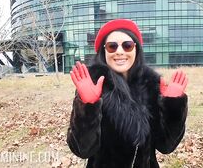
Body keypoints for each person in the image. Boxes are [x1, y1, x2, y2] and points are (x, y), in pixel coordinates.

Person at [67, 19, 188, 168]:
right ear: (103, 52)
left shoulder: (151, 86)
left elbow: (166, 146)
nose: (120, 51)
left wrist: (173, 106)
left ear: (136, 50)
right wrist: (88, 107)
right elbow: (83, 150)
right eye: (112, 46)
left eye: (127, 46)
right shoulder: (91, 85)